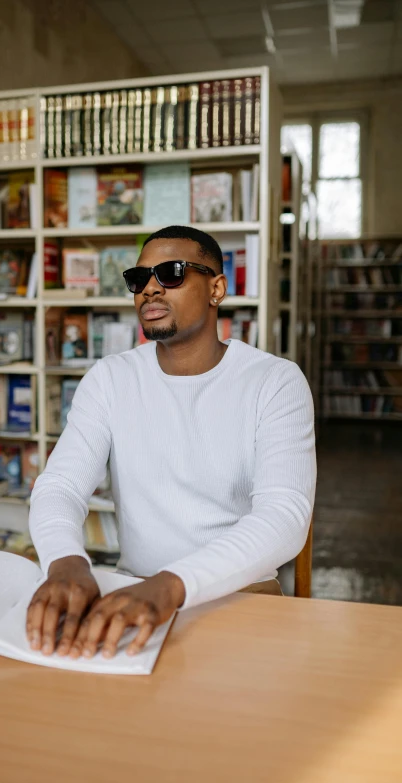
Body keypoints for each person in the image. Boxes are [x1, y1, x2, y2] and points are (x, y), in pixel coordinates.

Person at [28, 225, 316, 661]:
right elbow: (60, 487)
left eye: (172, 273)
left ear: (216, 288)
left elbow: (284, 518)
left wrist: (170, 585)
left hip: (241, 598)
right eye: (139, 279)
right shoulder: (110, 378)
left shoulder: (274, 382)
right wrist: (66, 561)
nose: (150, 290)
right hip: (133, 593)